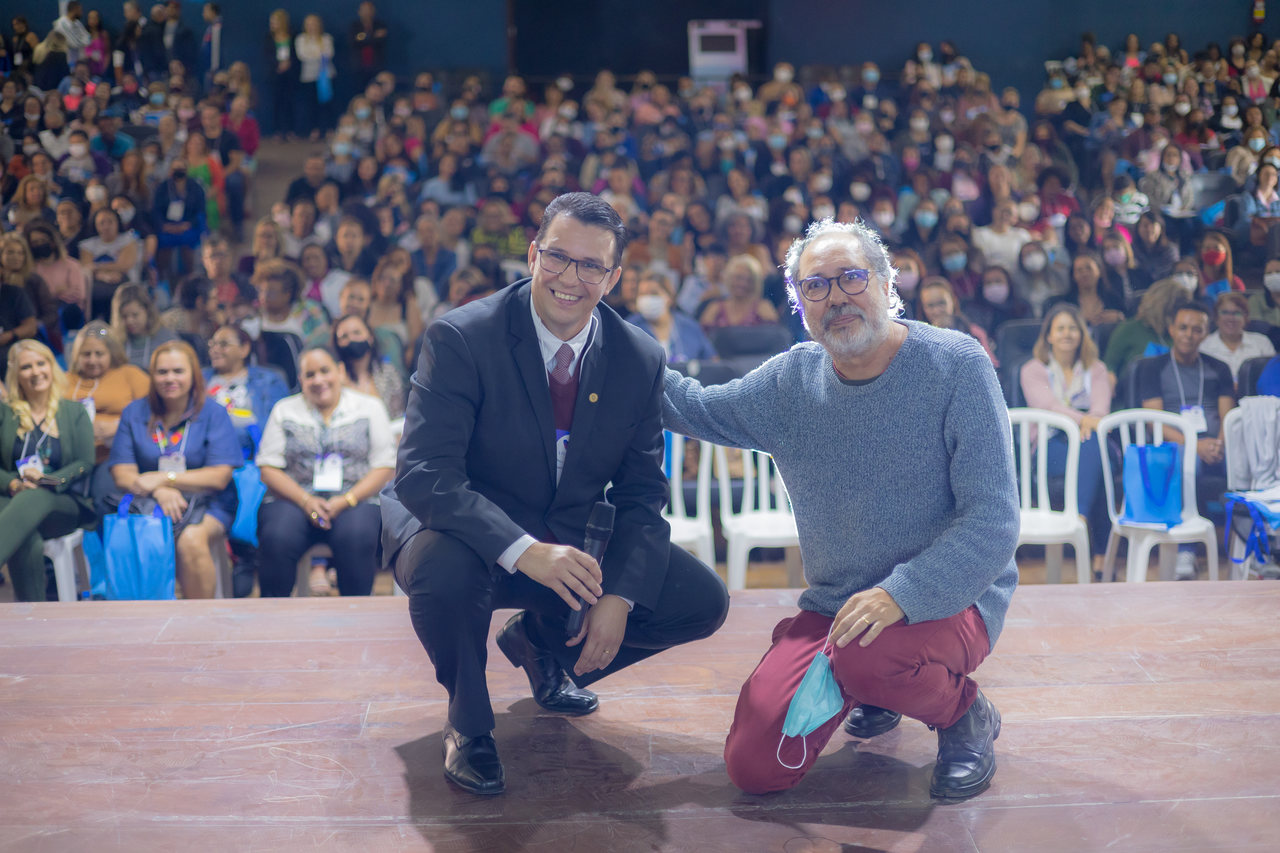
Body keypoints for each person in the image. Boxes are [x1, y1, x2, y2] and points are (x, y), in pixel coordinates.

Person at [381, 191, 729, 796]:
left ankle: (540, 645)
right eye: (558, 258)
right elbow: (423, 473)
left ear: (614, 276)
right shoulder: (463, 336)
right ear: (534, 253)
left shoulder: (638, 357)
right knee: (445, 569)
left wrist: (619, 596)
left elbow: (644, 496)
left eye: (591, 266)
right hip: (460, 524)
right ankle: (468, 722)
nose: (571, 278)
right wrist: (522, 549)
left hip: (566, 530)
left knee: (699, 600)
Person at [662, 218, 1016, 800]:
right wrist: (607, 350)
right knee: (755, 768)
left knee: (868, 657)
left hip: (953, 599)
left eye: (851, 277)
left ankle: (963, 713)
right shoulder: (790, 382)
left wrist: (901, 595)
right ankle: (872, 686)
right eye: (815, 287)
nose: (836, 297)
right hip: (839, 608)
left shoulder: (956, 364)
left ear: (884, 283)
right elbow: (695, 407)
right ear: (799, 304)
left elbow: (993, 521)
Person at [255, 347, 394, 596]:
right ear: (301, 380)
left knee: (357, 535)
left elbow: (385, 465)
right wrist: (306, 500)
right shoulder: (285, 410)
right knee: (277, 536)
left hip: (356, 499)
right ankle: (272, 619)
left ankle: (357, 615)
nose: (318, 380)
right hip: (294, 499)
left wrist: (346, 500)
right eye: (310, 375)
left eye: (324, 371)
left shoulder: (369, 407)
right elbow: (268, 468)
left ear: (340, 372)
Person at [108, 340, 241, 599]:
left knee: (191, 540)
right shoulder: (135, 412)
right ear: (152, 375)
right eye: (162, 372)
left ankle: (199, 623)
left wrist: (165, 478)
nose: (170, 378)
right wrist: (160, 491)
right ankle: (147, 618)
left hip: (210, 502)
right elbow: (122, 473)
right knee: (132, 538)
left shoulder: (213, 413)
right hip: (148, 501)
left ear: (194, 375)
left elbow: (219, 476)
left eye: (178, 371)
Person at [1137, 301, 1236, 579]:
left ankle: (1255, 545)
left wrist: (1219, 443)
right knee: (1189, 460)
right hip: (1177, 444)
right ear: (1171, 329)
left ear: (1206, 333)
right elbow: (1153, 419)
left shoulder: (1220, 367)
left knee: (1246, 463)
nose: (1188, 335)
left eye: (1197, 329)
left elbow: (1227, 416)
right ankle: (1186, 551)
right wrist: (1195, 444)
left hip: (1217, 443)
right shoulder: (1153, 367)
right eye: (1183, 328)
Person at [1019, 305, 1114, 578]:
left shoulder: (1096, 369)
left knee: (1093, 447)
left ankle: (1079, 519)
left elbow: (1101, 410)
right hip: (1051, 447)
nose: (1067, 334)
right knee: (1096, 457)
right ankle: (1097, 553)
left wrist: (1089, 423)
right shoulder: (1033, 370)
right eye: (1060, 328)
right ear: (1048, 335)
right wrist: (1082, 420)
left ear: (1082, 334)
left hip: (1090, 441)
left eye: (1073, 328)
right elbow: (1048, 406)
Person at [0, 340, 94, 602]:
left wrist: (47, 479)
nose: (35, 372)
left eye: (41, 363)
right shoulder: (4, 413)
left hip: (61, 502)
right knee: (25, 534)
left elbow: (86, 461)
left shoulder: (74, 411)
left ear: (52, 367)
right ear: (16, 375)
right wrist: (14, 484)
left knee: (35, 496)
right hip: (14, 499)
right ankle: (31, 617)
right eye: (26, 367)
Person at [203, 324, 289, 458]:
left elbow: (273, 426)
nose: (215, 350)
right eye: (212, 344)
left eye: (223, 344)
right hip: (207, 451)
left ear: (244, 349)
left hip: (251, 453)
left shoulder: (268, 380)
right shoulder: (199, 379)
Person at [626, 269, 716, 363]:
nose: (647, 298)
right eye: (642, 294)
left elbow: (712, 361)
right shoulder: (631, 327)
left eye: (653, 293)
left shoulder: (689, 326)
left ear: (669, 297)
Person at [331, 313, 405, 418]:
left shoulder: (388, 372)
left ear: (370, 337)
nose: (351, 339)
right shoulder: (334, 377)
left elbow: (398, 415)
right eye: (344, 336)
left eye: (356, 333)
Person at [1198, 292, 1274, 386]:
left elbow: (1272, 377)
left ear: (1246, 317)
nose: (1230, 318)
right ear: (1216, 317)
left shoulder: (1262, 343)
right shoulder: (1203, 346)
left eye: (1237, 313)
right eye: (1225, 312)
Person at [111, 284, 177, 370]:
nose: (129, 321)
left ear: (148, 311)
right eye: (124, 316)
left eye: (135, 315)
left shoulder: (167, 338)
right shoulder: (116, 342)